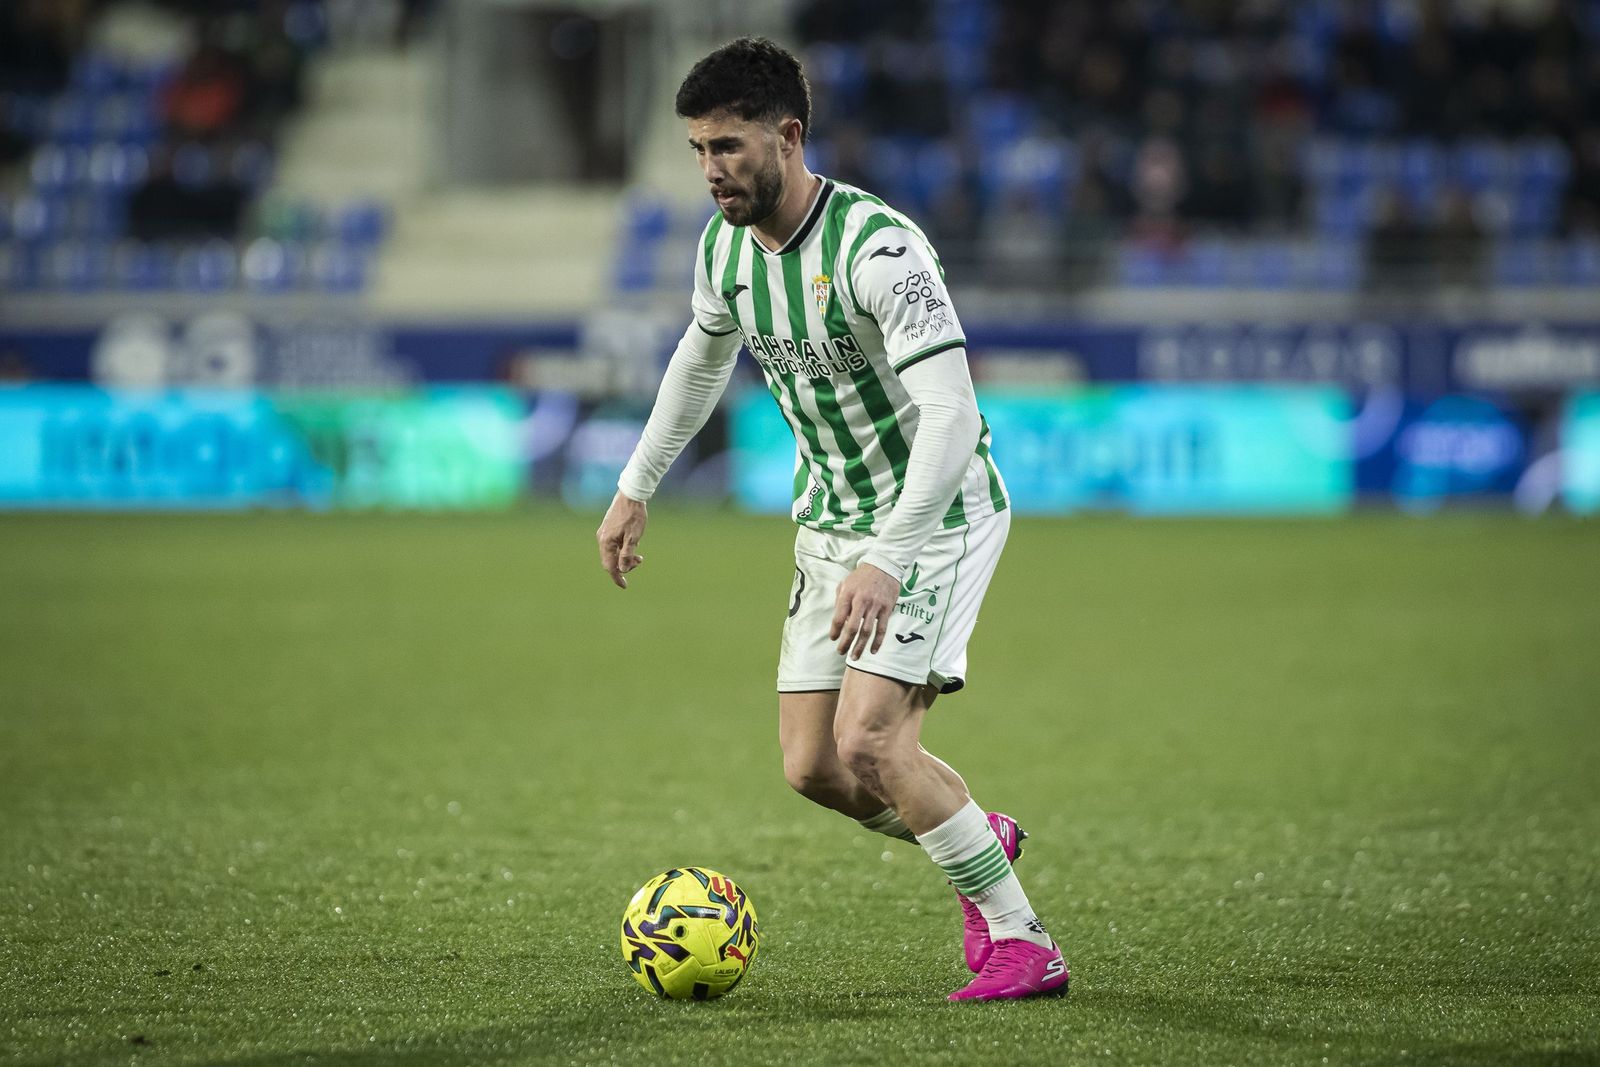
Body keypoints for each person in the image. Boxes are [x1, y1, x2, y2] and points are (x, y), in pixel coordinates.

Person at [595, 37, 1067, 1002]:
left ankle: (1026, 940)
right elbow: (700, 358)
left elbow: (954, 414)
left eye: (727, 146)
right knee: (812, 767)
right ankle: (973, 831)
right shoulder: (724, 248)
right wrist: (636, 483)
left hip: (932, 517)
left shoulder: (880, 249)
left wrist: (890, 557)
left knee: (872, 743)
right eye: (696, 150)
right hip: (831, 521)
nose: (711, 170)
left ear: (789, 134)